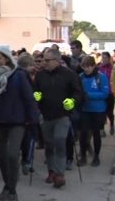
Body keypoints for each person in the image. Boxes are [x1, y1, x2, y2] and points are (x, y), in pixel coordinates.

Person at [0, 46, 39, 201]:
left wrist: (33, 119)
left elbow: (29, 98)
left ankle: (13, 190)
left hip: (17, 121)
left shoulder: (19, 76)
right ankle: (7, 186)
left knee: (12, 154)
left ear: (7, 59)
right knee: (1, 157)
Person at [33, 48, 83, 188]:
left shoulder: (69, 75)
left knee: (60, 141)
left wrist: (72, 101)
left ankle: (60, 173)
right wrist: (36, 96)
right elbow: (35, 91)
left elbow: (78, 93)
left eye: (48, 61)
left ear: (57, 60)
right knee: (49, 144)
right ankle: (51, 171)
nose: (45, 63)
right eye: (44, 60)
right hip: (45, 115)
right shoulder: (40, 75)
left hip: (62, 115)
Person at [77, 56, 110, 167]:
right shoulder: (80, 77)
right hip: (85, 109)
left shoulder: (101, 77)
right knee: (83, 133)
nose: (86, 69)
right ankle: (83, 155)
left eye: (88, 67)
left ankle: (96, 156)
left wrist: (89, 95)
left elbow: (105, 93)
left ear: (93, 66)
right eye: (84, 67)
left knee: (96, 133)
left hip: (98, 110)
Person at [98, 52, 115, 137]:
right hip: (102, 94)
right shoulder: (99, 69)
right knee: (102, 111)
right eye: (102, 58)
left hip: (110, 93)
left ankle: (112, 124)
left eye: (105, 58)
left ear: (109, 58)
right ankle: (102, 129)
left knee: (110, 112)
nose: (104, 59)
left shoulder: (113, 68)